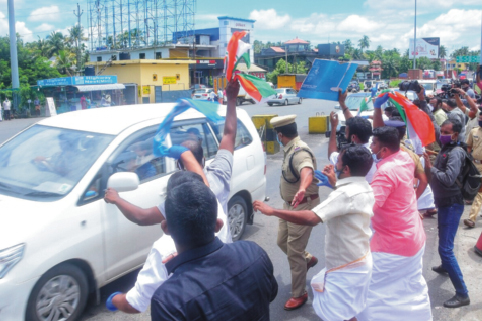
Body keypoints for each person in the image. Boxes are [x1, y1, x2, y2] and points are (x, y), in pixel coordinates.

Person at [105, 79, 241, 314]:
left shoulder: (176, 210)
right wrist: (231, 100)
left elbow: (140, 216)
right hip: (223, 271)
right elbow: (229, 134)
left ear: (167, 226)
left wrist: (116, 198)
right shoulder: (217, 184)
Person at [254, 146, 375, 321]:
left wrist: (272, 211)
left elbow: (312, 218)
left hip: (347, 268)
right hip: (357, 261)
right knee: (347, 313)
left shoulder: (344, 193)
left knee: (339, 314)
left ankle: (299, 291)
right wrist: (335, 183)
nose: (334, 165)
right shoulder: (363, 185)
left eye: (338, 162)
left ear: (346, 169)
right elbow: (348, 201)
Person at [150, 174, 278, 321]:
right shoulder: (253, 253)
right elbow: (271, 293)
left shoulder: (168, 300)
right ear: (218, 225)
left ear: (166, 228)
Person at [355, 126, 432, 321]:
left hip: (393, 246)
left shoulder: (386, 172)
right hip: (414, 237)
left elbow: (366, 207)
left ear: (385, 150)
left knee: (369, 290)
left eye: (374, 144)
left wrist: (339, 187)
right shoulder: (404, 158)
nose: (371, 147)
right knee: (410, 287)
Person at [271, 114, 320, 311]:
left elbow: (306, 170)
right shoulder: (289, 148)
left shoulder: (299, 152)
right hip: (289, 205)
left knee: (293, 251)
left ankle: (299, 293)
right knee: (281, 241)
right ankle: (308, 259)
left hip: (302, 206)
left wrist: (302, 187)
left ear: (281, 134)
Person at [428, 119, 471, 308]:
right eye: (442, 130)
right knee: (445, 240)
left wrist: (431, 168)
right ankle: (446, 267)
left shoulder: (455, 152)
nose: (442, 134)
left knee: (445, 249)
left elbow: (448, 179)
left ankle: (462, 294)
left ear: (455, 134)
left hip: (452, 205)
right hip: (445, 203)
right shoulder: (446, 147)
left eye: (446, 132)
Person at [465, 111, 482, 228]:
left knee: (479, 193)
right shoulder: (474, 131)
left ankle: (472, 218)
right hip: (475, 165)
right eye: (479, 117)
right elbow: (468, 147)